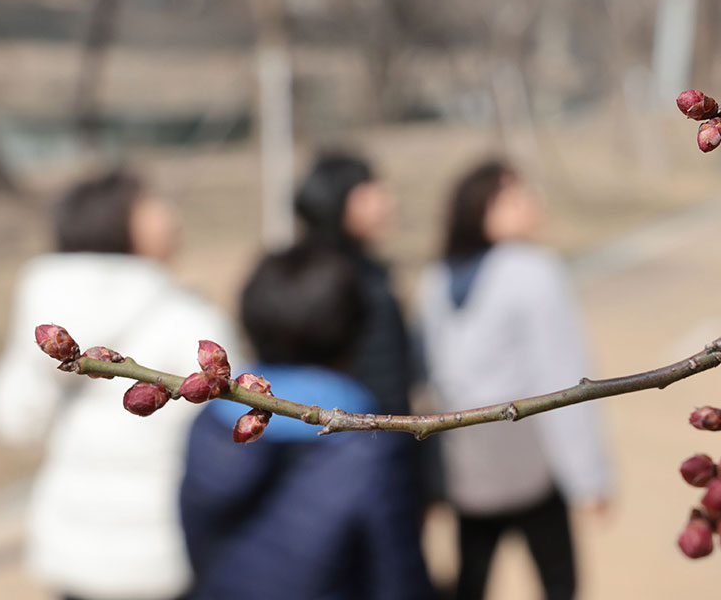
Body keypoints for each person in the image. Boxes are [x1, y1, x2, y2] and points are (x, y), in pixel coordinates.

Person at [0, 170, 239, 600]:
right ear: (117, 221)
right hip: (166, 550)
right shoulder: (189, 322)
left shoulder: (45, 304)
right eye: (152, 204)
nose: (171, 215)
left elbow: (12, 420)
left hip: (73, 548)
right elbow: (226, 444)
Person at [178, 244, 434, 600]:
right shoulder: (370, 448)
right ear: (354, 329)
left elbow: (195, 541)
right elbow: (398, 579)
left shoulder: (208, 424)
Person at [415, 161, 612, 600]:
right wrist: (589, 476)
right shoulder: (532, 270)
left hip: (465, 457)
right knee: (559, 581)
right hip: (527, 456)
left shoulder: (436, 277)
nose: (533, 203)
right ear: (480, 210)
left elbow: (431, 375)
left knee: (472, 579)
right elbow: (564, 379)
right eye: (515, 196)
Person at [293, 153, 413, 415]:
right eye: (371, 192)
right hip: (358, 426)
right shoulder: (323, 278)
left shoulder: (365, 270)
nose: (387, 201)